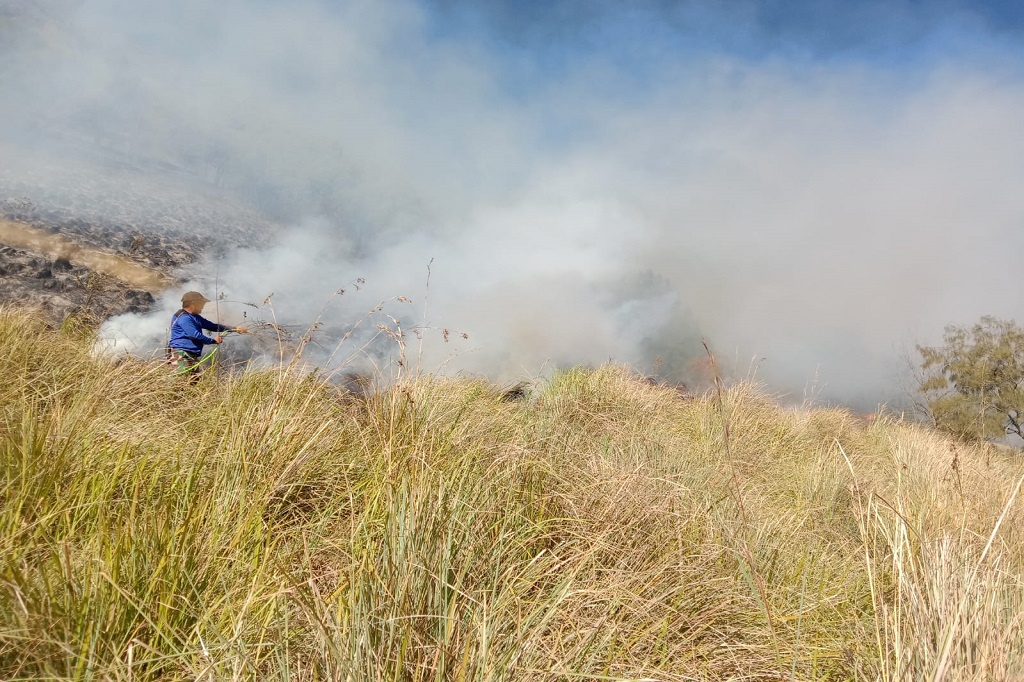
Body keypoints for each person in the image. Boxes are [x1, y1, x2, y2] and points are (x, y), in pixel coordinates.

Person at [168, 291, 247, 377]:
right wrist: (213, 341)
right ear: (194, 304)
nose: (203, 306)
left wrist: (234, 329)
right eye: (202, 303)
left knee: (193, 383)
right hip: (180, 355)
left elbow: (212, 326)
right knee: (181, 383)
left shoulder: (195, 317)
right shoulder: (184, 318)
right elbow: (195, 335)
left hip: (189, 355)